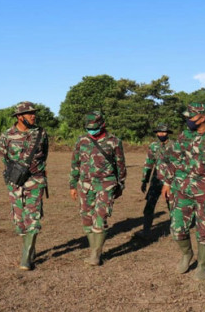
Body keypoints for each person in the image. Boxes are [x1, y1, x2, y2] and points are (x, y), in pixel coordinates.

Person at [161, 103, 205, 281]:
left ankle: (202, 265)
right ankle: (187, 255)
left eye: (192, 117)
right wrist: (167, 181)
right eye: (187, 117)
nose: (188, 121)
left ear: (203, 117)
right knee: (177, 228)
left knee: (204, 229)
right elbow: (172, 159)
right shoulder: (184, 135)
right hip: (182, 188)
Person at [69, 111, 126, 266]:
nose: (92, 131)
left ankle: (95, 254)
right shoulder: (81, 140)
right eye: (89, 128)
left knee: (100, 217)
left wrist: (120, 184)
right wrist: (73, 185)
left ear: (103, 124)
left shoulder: (114, 141)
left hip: (106, 185)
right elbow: (75, 163)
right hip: (85, 185)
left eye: (94, 128)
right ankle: (94, 249)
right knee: (86, 218)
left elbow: (120, 165)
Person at [0, 101, 49, 271]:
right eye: (29, 113)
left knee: (32, 217)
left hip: (36, 180)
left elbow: (45, 155)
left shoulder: (41, 133)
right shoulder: (7, 136)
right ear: (19, 117)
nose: (33, 115)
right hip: (15, 182)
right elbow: (4, 158)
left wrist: (37, 170)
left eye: (34, 113)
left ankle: (26, 257)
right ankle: (30, 247)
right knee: (19, 220)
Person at [136, 123, 174, 240]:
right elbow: (149, 162)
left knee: (172, 206)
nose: (161, 134)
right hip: (156, 180)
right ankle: (146, 231)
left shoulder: (175, 145)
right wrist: (144, 180)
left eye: (163, 132)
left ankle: (175, 232)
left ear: (167, 133)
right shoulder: (153, 146)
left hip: (171, 181)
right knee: (149, 206)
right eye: (159, 132)